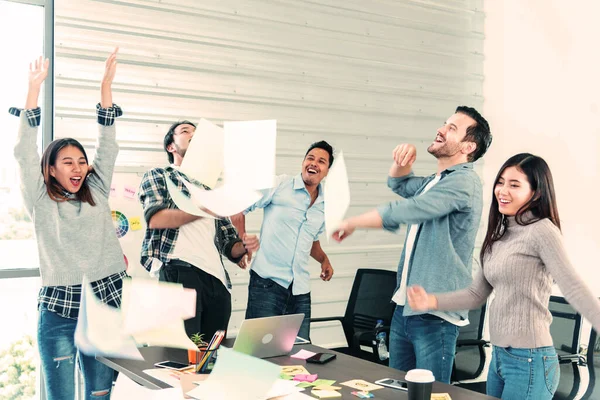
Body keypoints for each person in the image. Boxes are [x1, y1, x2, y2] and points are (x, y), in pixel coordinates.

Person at [407, 153, 600, 399]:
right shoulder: (499, 236)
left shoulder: (542, 231)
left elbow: (572, 286)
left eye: (514, 184)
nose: (502, 190)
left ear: (536, 193)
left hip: (531, 360)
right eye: (500, 182)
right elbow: (476, 294)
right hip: (499, 357)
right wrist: (432, 301)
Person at [332, 106, 492, 383]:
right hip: (405, 309)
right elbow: (398, 183)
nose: (441, 129)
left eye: (452, 128)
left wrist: (353, 222)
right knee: (397, 389)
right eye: (444, 123)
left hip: (435, 314)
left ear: (468, 146)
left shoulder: (465, 182)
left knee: (428, 394)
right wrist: (402, 159)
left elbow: (411, 209)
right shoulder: (436, 181)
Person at [11, 49, 126, 399]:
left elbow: (108, 144)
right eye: (67, 162)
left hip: (104, 305)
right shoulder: (39, 199)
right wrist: (32, 93)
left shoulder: (97, 189)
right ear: (50, 169)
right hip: (59, 310)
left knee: (100, 394)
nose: (77, 168)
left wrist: (105, 87)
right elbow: (23, 150)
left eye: (81, 162)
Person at [138, 120, 259, 340]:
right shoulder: (160, 175)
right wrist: (202, 208)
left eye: (197, 133)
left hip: (217, 284)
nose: (193, 135)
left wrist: (244, 245)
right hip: (179, 273)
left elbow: (229, 246)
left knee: (211, 360)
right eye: (185, 131)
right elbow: (156, 218)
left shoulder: (210, 190)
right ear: (171, 147)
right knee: (182, 359)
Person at [231, 141, 335, 340]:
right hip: (267, 285)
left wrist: (324, 260)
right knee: (256, 353)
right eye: (310, 158)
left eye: (321, 161)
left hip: (300, 291)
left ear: (327, 171)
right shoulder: (279, 185)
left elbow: (311, 240)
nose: (314, 163)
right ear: (303, 162)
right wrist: (243, 241)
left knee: (300, 355)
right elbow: (238, 207)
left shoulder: (324, 205)